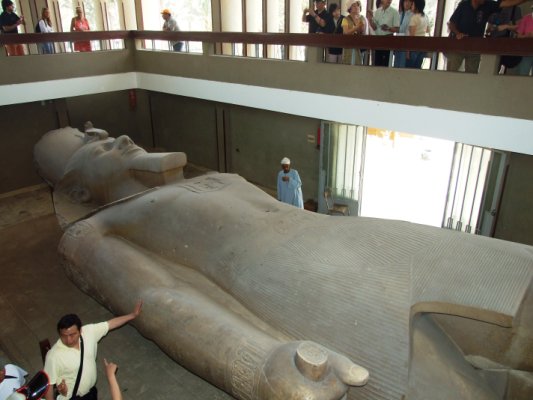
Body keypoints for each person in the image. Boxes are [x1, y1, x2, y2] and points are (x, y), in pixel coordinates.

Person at [33, 127, 533, 400]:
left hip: (367, 241)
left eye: (105, 132)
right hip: (309, 291)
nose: (117, 139)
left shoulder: (212, 176)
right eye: (94, 144)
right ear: (78, 190)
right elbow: (160, 301)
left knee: (519, 295)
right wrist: (259, 365)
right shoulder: (92, 232)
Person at [43, 301, 142, 400]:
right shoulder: (53, 356)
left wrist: (132, 315)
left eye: (72, 335)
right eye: (64, 336)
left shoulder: (89, 332)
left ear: (80, 330)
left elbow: (110, 324)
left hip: (91, 393)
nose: (68, 340)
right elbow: (48, 386)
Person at [446, 0, 525, 73]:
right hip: (459, 45)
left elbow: (506, 3)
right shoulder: (464, 5)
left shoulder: (487, 5)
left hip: (475, 47)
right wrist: (458, 33)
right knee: (451, 72)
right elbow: (451, 23)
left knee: (471, 74)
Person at [366, 0, 400, 66]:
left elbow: (397, 29)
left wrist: (388, 28)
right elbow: (374, 28)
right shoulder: (377, 11)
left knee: (386, 63)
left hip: (388, 39)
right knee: (377, 63)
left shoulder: (395, 12)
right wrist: (370, 19)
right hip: (378, 40)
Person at [406, 0, 429, 68]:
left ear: (417, 6)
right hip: (422, 45)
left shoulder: (414, 18)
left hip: (414, 46)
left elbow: (412, 36)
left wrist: (408, 51)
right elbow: (427, 30)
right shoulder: (425, 16)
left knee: (409, 68)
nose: (411, 6)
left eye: (413, 5)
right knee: (417, 68)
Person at [342, 1, 367, 65]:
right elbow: (346, 32)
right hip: (348, 46)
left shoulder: (362, 18)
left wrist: (359, 25)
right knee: (347, 64)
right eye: (354, 6)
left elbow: (362, 32)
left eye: (358, 6)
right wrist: (356, 27)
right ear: (349, 8)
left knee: (358, 64)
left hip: (359, 46)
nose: (356, 7)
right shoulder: (345, 19)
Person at [393, 0, 414, 68]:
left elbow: (402, 29)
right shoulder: (400, 13)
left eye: (409, 2)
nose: (407, 3)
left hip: (406, 42)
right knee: (396, 65)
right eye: (405, 1)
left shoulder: (412, 14)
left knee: (402, 65)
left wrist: (391, 29)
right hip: (398, 42)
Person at [515, 4, 533, 76]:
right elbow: (518, 36)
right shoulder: (526, 18)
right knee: (523, 74)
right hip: (527, 51)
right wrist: (527, 36)